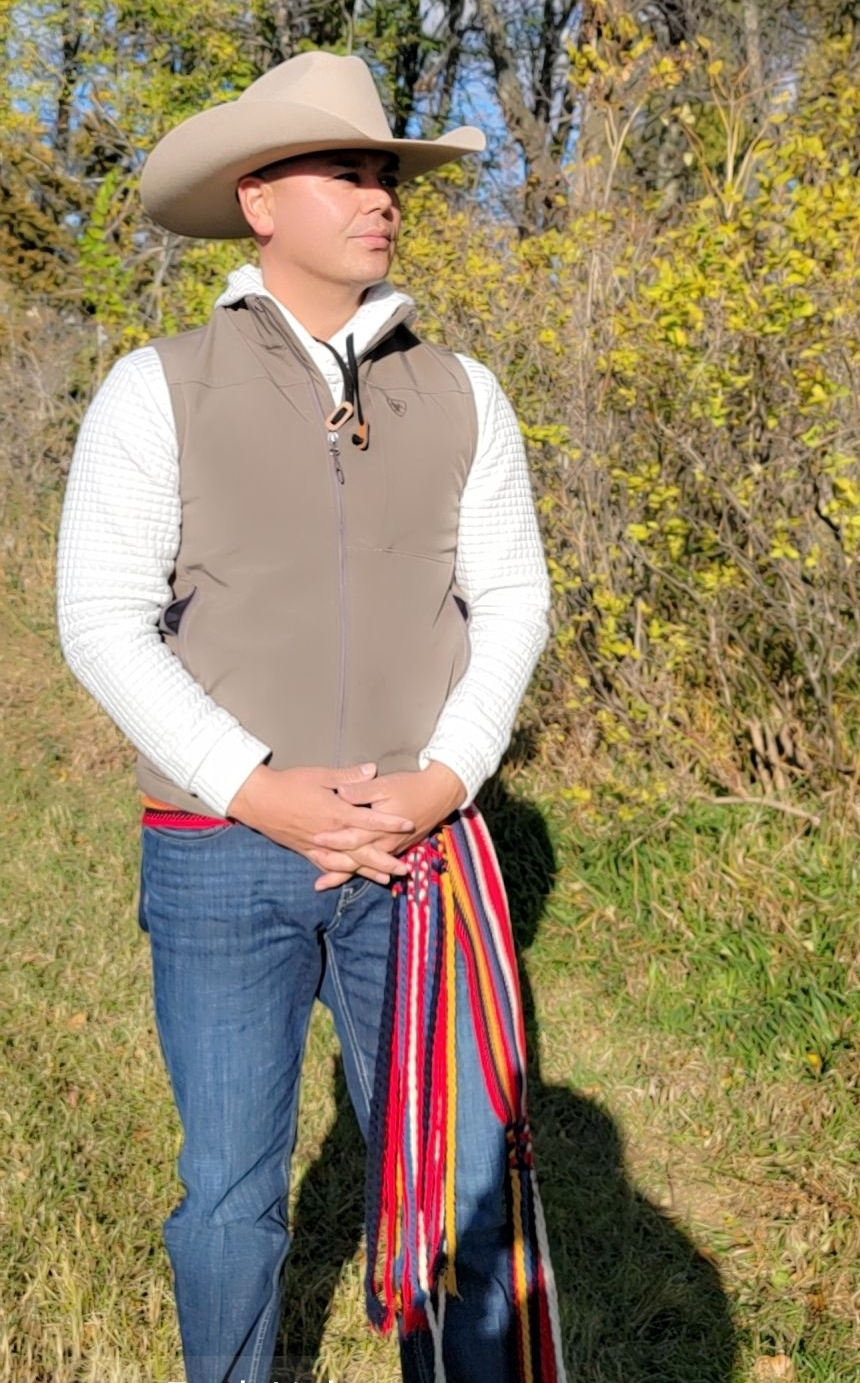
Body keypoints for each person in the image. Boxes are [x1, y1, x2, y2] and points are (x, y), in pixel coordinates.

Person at [57, 50, 564, 1383]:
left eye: (387, 169)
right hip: (222, 853)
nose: (379, 190)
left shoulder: (463, 392)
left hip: (420, 855)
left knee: (459, 1187)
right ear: (259, 198)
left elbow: (511, 600)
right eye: (348, 168)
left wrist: (444, 779)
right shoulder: (155, 385)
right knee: (228, 1194)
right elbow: (101, 619)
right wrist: (255, 786)